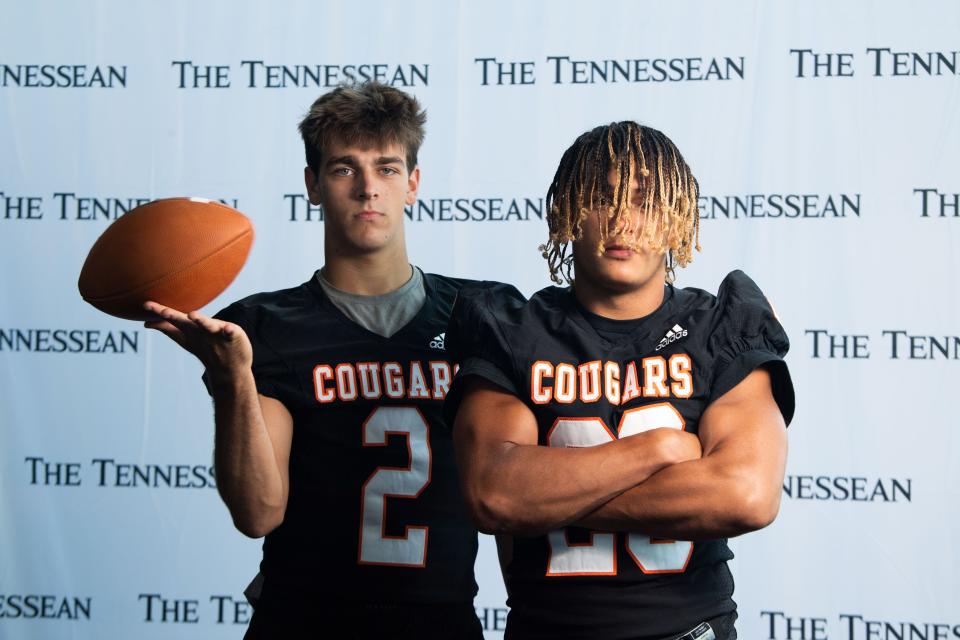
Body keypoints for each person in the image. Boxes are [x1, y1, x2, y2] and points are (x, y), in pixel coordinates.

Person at [144, 82, 483, 639]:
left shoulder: (479, 315)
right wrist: (234, 380)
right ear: (313, 184)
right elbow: (258, 513)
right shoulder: (266, 326)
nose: (369, 188)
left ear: (413, 185)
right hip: (302, 618)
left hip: (440, 618)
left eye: (388, 169)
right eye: (345, 169)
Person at [444, 121, 795, 640]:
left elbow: (746, 494)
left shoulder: (720, 327)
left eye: (645, 199)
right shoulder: (514, 330)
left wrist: (547, 503)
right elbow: (494, 493)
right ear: (567, 212)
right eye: (601, 197)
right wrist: (656, 449)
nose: (623, 220)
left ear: (677, 217)